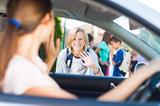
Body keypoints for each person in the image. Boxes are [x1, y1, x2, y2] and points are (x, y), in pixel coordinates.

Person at [0, 0, 160, 102]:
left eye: (81, 39)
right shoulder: (22, 70)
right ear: (47, 19)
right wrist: (146, 71)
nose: (77, 42)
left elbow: (36, 89)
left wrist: (49, 60)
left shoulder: (19, 64)